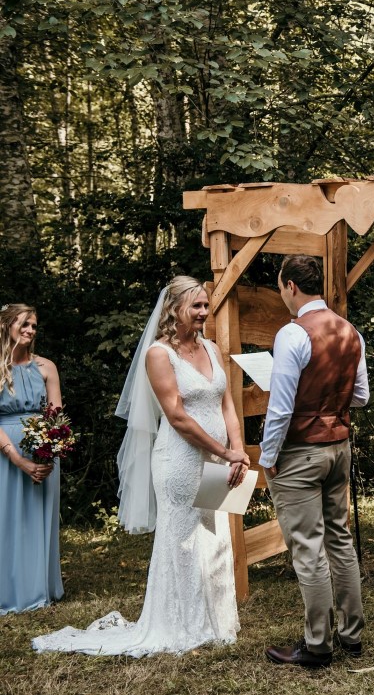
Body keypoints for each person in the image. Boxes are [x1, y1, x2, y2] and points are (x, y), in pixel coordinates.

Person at [33, 276, 249, 655]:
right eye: (196, 305)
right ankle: (181, 626)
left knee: (216, 533)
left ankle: (217, 623)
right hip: (180, 459)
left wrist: (238, 448)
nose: (204, 312)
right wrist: (224, 451)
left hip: (219, 457)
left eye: (205, 305)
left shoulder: (212, 348)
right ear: (175, 309)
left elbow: (227, 403)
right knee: (182, 538)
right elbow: (177, 417)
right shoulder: (158, 354)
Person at [262, 254, 370, 669]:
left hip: (301, 452)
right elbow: (361, 396)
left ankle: (318, 645)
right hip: (339, 447)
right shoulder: (349, 331)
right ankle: (352, 636)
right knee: (339, 539)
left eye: (280, 287)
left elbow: (280, 408)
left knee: (308, 548)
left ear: (290, 286)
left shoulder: (293, 334)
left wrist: (268, 456)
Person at [0, 303, 64, 614]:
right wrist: (16, 458)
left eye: (34, 326)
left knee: (38, 518)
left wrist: (51, 451)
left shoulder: (46, 367)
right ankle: (9, 590)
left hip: (43, 452)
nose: (30, 330)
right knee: (8, 520)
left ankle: (39, 587)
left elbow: (56, 415)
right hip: (5, 452)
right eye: (24, 324)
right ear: (6, 326)